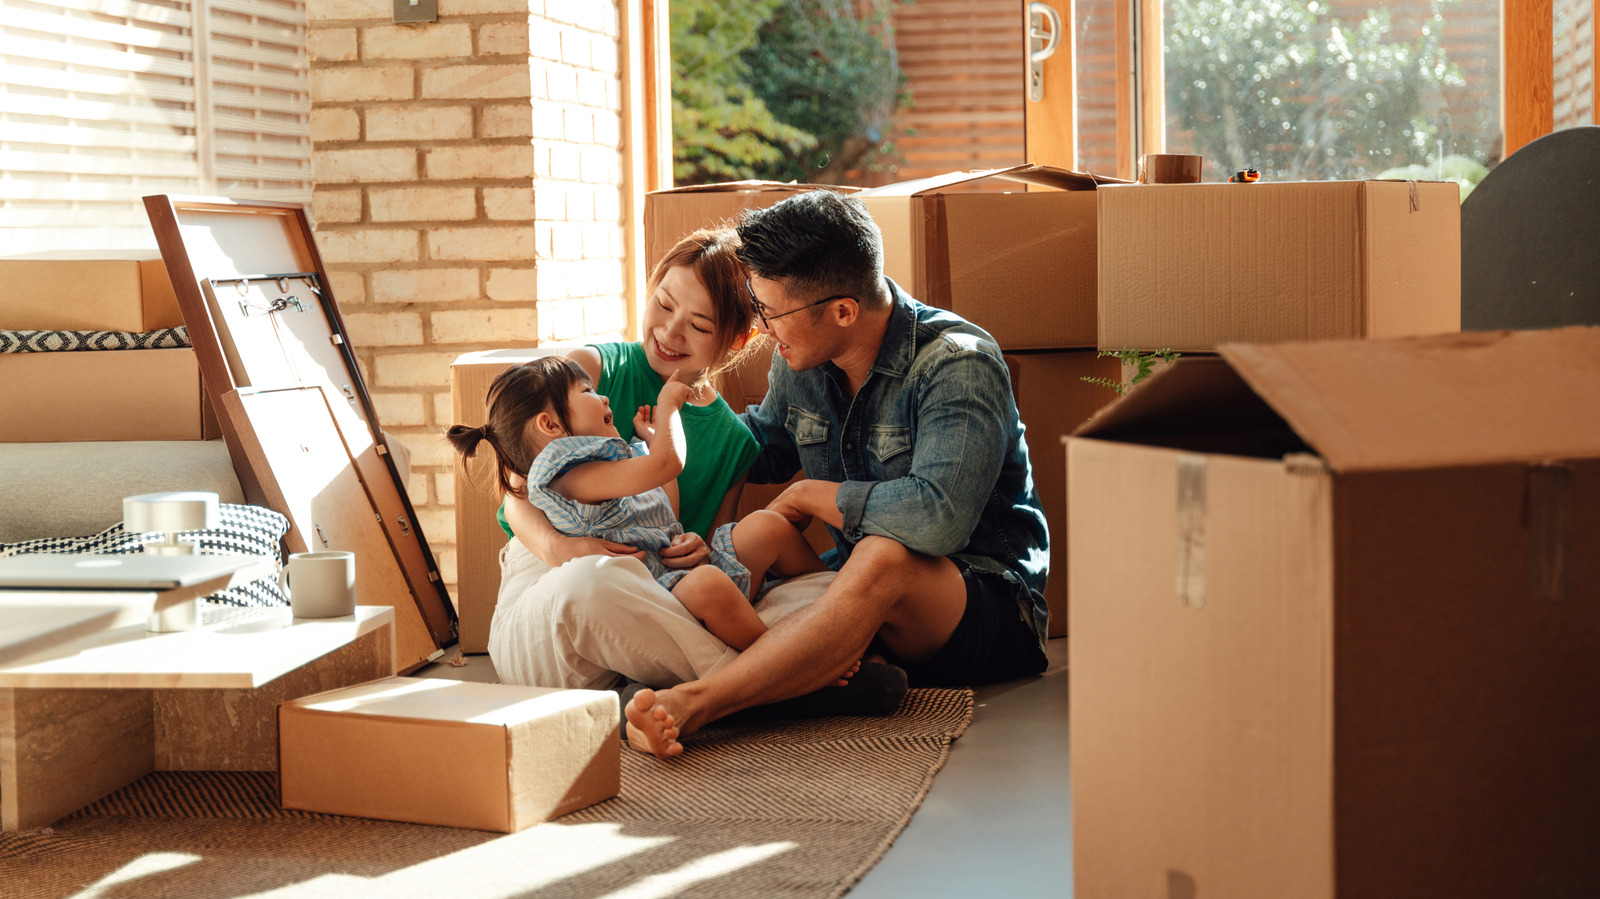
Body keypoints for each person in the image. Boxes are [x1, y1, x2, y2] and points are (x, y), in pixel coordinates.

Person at [623, 189, 1051, 758]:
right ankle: (821, 679)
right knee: (757, 538)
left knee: (883, 553)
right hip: (851, 586)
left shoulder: (958, 363)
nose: (766, 327)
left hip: (984, 601)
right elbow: (760, 449)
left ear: (844, 310)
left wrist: (809, 495)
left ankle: (700, 702)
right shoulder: (802, 353)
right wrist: (655, 418)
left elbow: (936, 521)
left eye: (772, 313)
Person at [446, 356, 828, 652]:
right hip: (664, 595)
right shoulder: (566, 475)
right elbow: (668, 462)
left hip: (681, 571)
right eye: (587, 392)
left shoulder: (608, 464)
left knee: (767, 526)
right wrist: (669, 414)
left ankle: (836, 605)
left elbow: (664, 502)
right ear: (550, 425)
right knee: (709, 583)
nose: (603, 397)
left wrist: (646, 440)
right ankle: (782, 657)